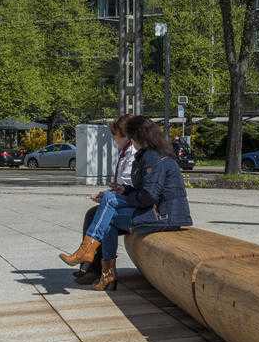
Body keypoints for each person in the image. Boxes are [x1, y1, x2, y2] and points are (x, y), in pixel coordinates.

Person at [81, 115, 192, 291]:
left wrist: (124, 198)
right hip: (157, 212)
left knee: (108, 209)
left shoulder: (153, 158)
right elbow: (144, 190)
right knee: (108, 214)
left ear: (138, 137)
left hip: (165, 216)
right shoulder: (149, 155)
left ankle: (94, 257)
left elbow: (149, 196)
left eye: (131, 137)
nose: (131, 141)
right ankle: (103, 270)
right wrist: (126, 191)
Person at [60, 115, 135, 280]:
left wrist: (114, 193)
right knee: (93, 213)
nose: (115, 141)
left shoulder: (134, 153)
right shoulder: (125, 152)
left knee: (99, 215)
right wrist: (109, 192)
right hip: (126, 199)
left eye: (116, 137)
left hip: (134, 205)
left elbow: (133, 185)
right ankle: (89, 265)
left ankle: (91, 265)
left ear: (126, 135)